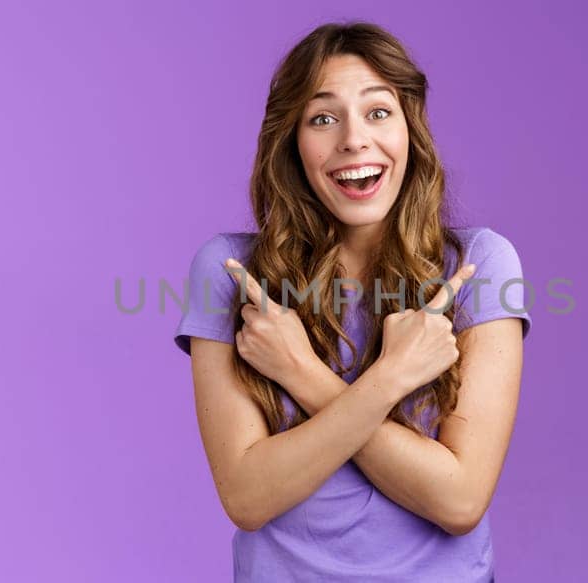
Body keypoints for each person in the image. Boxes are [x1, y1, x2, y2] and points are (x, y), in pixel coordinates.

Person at [172, 21, 531, 582]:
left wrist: (301, 372)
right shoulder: (232, 274)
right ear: (291, 140)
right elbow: (247, 498)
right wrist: (391, 379)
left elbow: (460, 501)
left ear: (410, 128)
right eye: (322, 118)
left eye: (378, 112)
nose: (353, 139)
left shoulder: (479, 265)